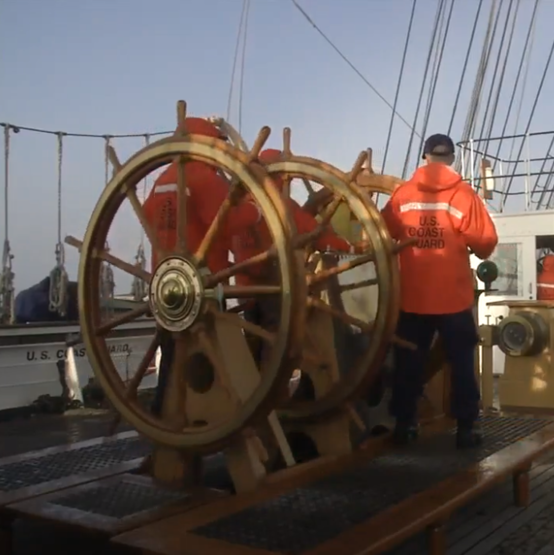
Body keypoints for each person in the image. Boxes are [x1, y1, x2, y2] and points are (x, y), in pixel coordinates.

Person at [381, 133, 498, 449]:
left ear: (425, 158)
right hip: (453, 298)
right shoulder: (463, 195)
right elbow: (486, 244)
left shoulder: (402, 196)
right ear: (452, 160)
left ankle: (404, 425)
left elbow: (380, 234)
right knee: (461, 362)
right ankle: (466, 428)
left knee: (408, 362)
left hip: (413, 297)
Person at [141, 117, 260, 417]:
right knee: (218, 355)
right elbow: (226, 219)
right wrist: (258, 210)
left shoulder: (161, 180)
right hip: (205, 283)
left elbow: (147, 217)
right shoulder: (202, 176)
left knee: (172, 353)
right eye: (219, 142)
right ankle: (225, 415)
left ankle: (164, 418)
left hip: (168, 285)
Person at [229, 148, 361, 361]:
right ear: (280, 173)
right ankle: (274, 389)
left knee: (253, 339)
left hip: (243, 288)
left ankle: (253, 386)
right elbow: (316, 233)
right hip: (275, 289)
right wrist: (353, 249)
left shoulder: (238, 205)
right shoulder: (283, 206)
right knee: (276, 342)